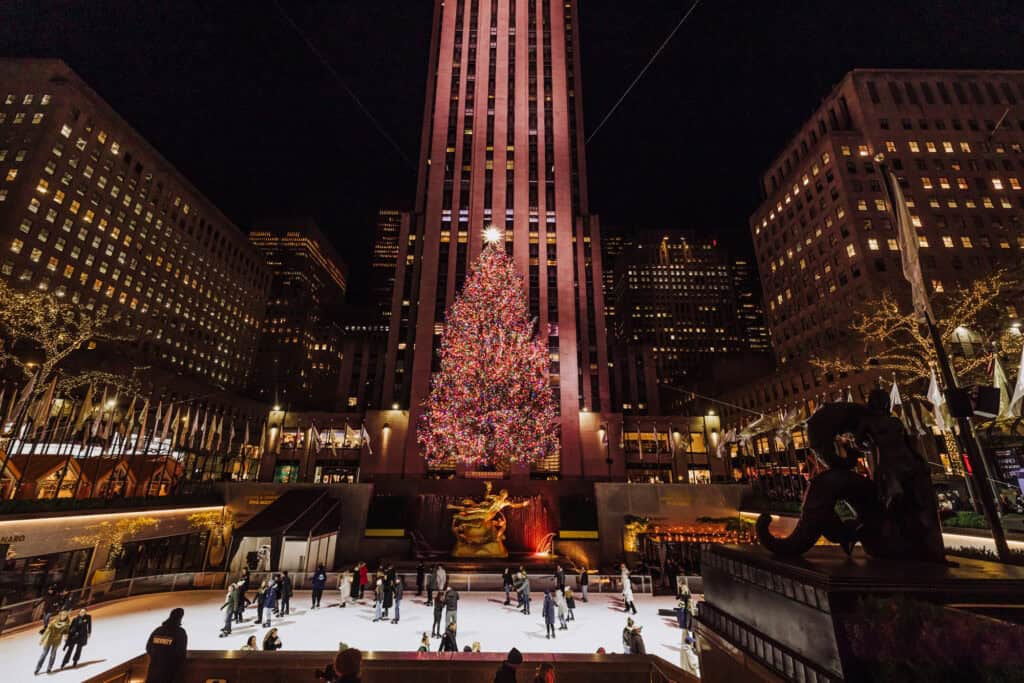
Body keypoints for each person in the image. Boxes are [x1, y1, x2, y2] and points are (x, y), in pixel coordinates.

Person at [145, 608, 187, 683]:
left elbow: (148, 647)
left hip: (154, 671)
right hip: (168, 673)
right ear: (180, 618)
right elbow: (180, 653)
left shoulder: (158, 630)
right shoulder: (180, 632)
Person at [35, 609, 70, 675]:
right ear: (59, 615)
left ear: (66, 616)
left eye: (65, 615)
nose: (63, 616)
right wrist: (42, 640)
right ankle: (37, 668)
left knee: (53, 655)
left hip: (57, 641)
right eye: (62, 615)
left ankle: (49, 668)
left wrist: (66, 639)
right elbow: (47, 631)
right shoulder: (53, 622)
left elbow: (66, 633)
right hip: (49, 640)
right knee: (44, 654)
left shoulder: (66, 624)